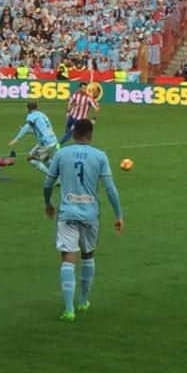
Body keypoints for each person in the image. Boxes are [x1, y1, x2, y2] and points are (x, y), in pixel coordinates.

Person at [43, 119, 123, 322]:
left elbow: (48, 183)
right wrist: (118, 215)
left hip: (67, 213)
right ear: (91, 134)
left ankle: (69, 309)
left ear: (73, 133)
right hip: (90, 214)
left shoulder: (61, 154)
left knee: (68, 258)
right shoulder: (100, 156)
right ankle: (84, 300)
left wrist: (48, 203)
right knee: (88, 255)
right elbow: (110, 189)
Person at [9, 101, 57, 176]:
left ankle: (53, 176)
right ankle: (57, 176)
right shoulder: (42, 115)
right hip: (53, 141)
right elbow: (40, 130)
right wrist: (27, 131)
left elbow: (27, 126)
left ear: (28, 109)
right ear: (37, 107)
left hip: (46, 143)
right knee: (45, 159)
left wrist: (16, 139)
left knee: (31, 158)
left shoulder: (32, 115)